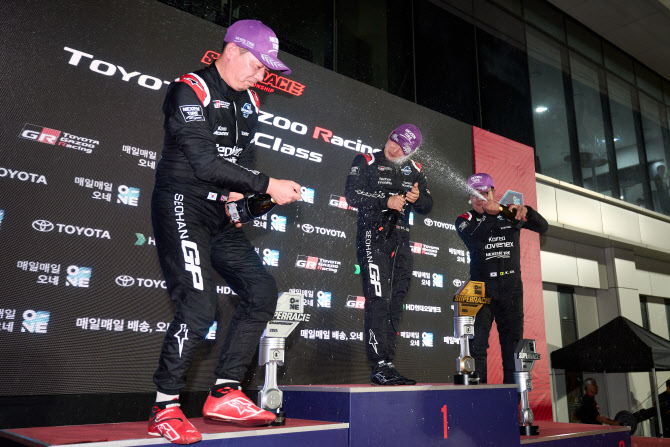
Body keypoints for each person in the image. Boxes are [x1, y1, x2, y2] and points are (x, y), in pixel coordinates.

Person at [148, 20, 302, 444]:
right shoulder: (190, 89)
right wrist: (267, 184)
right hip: (182, 204)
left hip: (218, 214)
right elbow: (204, 163)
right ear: (231, 50)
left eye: (266, 70)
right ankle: (164, 407)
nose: (260, 76)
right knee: (200, 305)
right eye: (257, 65)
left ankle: (225, 392)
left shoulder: (250, 101)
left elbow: (240, 164)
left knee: (262, 291)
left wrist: (246, 199)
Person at [345, 124, 433, 385]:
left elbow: (427, 206)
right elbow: (351, 195)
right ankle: (379, 364)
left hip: (401, 240)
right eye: (394, 142)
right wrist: (386, 201)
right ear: (389, 137)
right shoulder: (366, 160)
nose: (394, 149)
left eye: (402, 148)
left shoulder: (415, 169)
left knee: (396, 301)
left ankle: (389, 364)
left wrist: (417, 198)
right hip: (372, 236)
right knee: (378, 299)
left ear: (410, 152)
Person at [455, 173, 548, 384]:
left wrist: (527, 211)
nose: (480, 199)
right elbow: (475, 241)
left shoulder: (508, 212)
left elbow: (543, 227)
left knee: (512, 345)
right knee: (476, 345)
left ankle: (512, 397)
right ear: (469, 197)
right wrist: (490, 216)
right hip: (480, 288)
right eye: (474, 195)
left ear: (493, 192)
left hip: (511, 288)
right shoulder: (464, 219)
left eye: (484, 193)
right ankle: (477, 396)